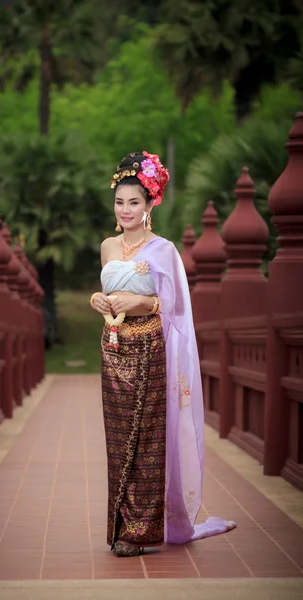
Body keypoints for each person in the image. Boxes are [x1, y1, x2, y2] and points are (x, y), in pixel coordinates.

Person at [90, 151, 235, 558]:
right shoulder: (107, 246)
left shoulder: (163, 250)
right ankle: (119, 526)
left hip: (150, 347)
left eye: (134, 202)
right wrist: (100, 301)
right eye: (119, 202)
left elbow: (170, 306)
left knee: (149, 438)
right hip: (113, 347)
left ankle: (140, 533)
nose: (125, 210)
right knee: (118, 440)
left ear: (150, 204)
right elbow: (107, 294)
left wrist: (137, 304)